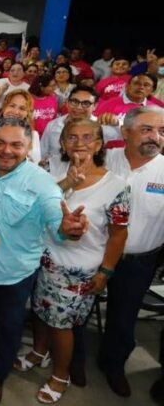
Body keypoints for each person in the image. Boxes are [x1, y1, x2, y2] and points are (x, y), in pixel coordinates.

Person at [0, 118, 89, 406]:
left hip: (14, 274)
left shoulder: (42, 183)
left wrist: (68, 228)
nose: (6, 150)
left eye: (16, 145)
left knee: (10, 328)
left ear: (29, 147)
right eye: (0, 143)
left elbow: (58, 222)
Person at [18, 119, 130, 404]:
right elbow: (34, 207)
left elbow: (118, 234)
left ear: (99, 144)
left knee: (61, 325)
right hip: (43, 259)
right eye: (72, 137)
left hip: (77, 269)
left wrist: (106, 271)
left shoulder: (116, 186)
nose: (79, 143)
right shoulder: (51, 172)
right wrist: (67, 183)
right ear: (63, 143)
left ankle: (61, 374)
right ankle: (39, 351)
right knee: (40, 312)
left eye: (87, 137)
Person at [98, 107, 164, 398]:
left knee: (124, 317)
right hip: (94, 254)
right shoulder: (104, 160)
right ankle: (70, 359)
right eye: (147, 129)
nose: (155, 137)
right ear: (125, 132)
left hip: (139, 261)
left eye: (162, 132)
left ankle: (113, 365)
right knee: (78, 309)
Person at [95, 74, 164, 148]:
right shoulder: (108, 104)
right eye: (137, 83)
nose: (141, 87)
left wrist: (117, 123)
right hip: (108, 150)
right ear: (127, 86)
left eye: (146, 85)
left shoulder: (156, 111)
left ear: (152, 90)